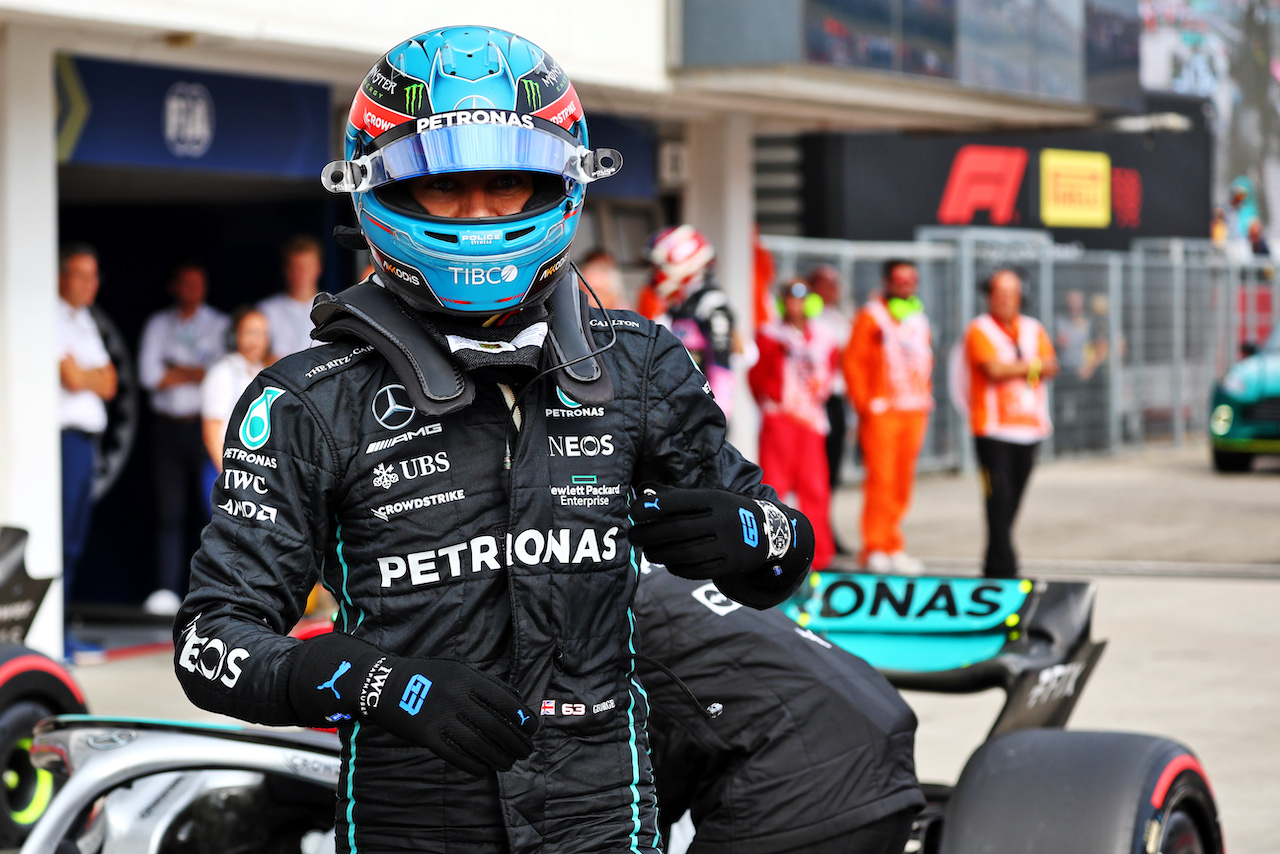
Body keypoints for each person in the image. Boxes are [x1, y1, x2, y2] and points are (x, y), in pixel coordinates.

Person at [173, 26, 816, 854]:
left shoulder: (641, 361)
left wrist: (750, 534)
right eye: (446, 187)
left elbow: (783, 557)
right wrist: (380, 683)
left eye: (508, 183)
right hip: (413, 817)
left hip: (603, 813)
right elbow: (210, 642)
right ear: (383, 192)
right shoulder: (304, 400)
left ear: (561, 182)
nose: (479, 214)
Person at [634, 565, 924, 854]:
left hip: (801, 776)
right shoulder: (669, 570)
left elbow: (637, 784)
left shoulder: (612, 609)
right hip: (881, 746)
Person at [138, 261, 229, 615]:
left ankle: (212, 589)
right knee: (169, 512)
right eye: (186, 283)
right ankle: (165, 590)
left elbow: (219, 373)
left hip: (205, 426)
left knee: (213, 510)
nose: (193, 289)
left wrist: (175, 368)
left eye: (199, 283)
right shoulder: (159, 324)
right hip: (167, 427)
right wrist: (196, 372)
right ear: (175, 286)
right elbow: (149, 376)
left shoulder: (219, 323)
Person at [963, 269, 1058, 578]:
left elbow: (1052, 366)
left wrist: (1017, 368)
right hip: (994, 430)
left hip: (1030, 428)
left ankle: (995, 565)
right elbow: (993, 370)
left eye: (1011, 292)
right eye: (999, 292)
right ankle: (1005, 568)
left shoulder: (1033, 328)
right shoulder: (979, 329)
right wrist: (1032, 367)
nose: (1005, 299)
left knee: (1013, 501)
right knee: (998, 500)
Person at [843, 259, 933, 575]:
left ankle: (892, 543)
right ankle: (875, 546)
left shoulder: (919, 318)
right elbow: (853, 362)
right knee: (880, 479)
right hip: (884, 411)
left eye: (912, 279)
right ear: (887, 281)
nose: (906, 284)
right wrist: (866, 404)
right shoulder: (872, 316)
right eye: (900, 279)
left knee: (901, 482)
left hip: (913, 410)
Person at [749, 279, 839, 571]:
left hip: (811, 422)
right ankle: (769, 553)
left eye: (800, 299)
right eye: (789, 298)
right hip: (780, 420)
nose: (794, 305)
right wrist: (772, 405)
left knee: (815, 489)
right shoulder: (769, 334)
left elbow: (832, 372)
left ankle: (820, 556)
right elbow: (757, 378)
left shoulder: (825, 335)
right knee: (774, 487)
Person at [57, 243, 117, 658]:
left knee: (75, 540)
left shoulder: (84, 320)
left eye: (94, 275)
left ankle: (61, 630)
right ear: (62, 276)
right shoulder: (50, 313)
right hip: (61, 441)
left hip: (84, 442)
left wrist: (88, 374)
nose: (89, 284)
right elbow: (74, 378)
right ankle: (52, 633)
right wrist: (88, 374)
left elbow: (109, 381)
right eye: (81, 274)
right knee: (61, 539)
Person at [640, 224, 739, 418]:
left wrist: (713, 419)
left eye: (657, 267)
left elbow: (722, 368)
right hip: (677, 414)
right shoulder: (677, 307)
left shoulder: (711, 305)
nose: (653, 276)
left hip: (700, 420)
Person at [808, 264, 853, 554]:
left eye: (835, 284)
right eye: (826, 284)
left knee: (831, 471)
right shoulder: (807, 318)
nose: (832, 290)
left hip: (837, 399)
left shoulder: (841, 318)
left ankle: (826, 528)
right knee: (814, 472)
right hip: (813, 402)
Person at [200, 307, 270, 469]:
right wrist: (228, 477)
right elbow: (211, 434)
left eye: (262, 333)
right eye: (251, 332)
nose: (257, 340)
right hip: (226, 468)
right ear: (234, 336)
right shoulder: (221, 372)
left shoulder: (264, 372)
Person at [258, 235, 323, 359]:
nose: (301, 273)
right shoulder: (266, 310)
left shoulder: (333, 309)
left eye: (307, 267)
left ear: (318, 268)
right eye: (296, 267)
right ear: (286, 270)